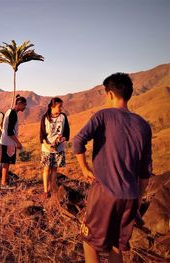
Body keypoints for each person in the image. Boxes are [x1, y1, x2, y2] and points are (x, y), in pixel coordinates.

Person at [73, 73, 152, 263]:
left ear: (109, 94)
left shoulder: (103, 116)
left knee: (89, 241)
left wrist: (84, 168)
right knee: (116, 245)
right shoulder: (143, 125)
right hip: (130, 197)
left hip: (105, 194)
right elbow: (144, 172)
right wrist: (138, 199)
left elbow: (78, 141)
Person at [40, 97, 70, 199]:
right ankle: (45, 191)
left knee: (54, 169)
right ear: (52, 106)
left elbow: (66, 133)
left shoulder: (63, 117)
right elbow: (42, 135)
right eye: (59, 106)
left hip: (59, 147)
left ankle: (52, 188)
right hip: (47, 148)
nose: (61, 108)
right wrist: (47, 145)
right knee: (46, 168)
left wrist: (62, 139)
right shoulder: (45, 117)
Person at [0, 95, 27, 190]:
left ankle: (4, 182)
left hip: (6, 141)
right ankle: (3, 183)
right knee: (7, 163)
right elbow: (10, 131)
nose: (25, 107)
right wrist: (18, 143)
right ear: (19, 104)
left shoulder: (9, 112)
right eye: (24, 105)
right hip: (9, 142)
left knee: (6, 162)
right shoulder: (13, 114)